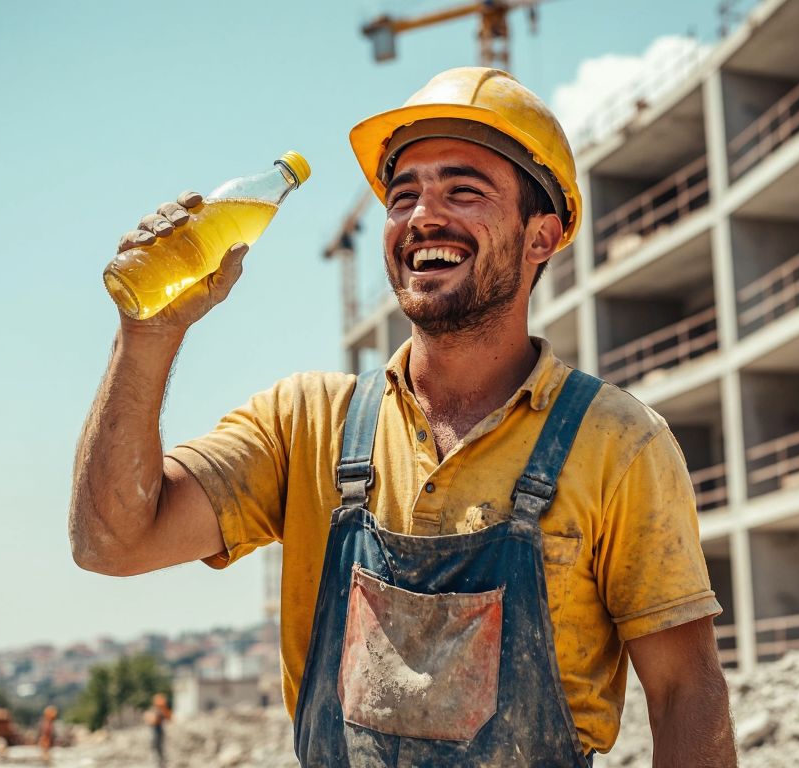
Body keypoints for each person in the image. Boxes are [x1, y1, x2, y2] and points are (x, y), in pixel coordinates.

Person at [70, 67, 735, 766]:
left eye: (463, 190)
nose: (422, 216)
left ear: (542, 236)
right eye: (403, 194)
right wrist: (145, 338)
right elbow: (110, 542)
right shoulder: (308, 423)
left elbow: (686, 692)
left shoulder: (618, 445)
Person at [143, 693, 171, 767]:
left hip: (158, 728)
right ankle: (157, 760)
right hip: (154, 729)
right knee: (155, 745)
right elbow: (149, 720)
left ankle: (160, 761)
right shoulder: (153, 710)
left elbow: (168, 718)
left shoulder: (162, 711)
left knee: (159, 746)